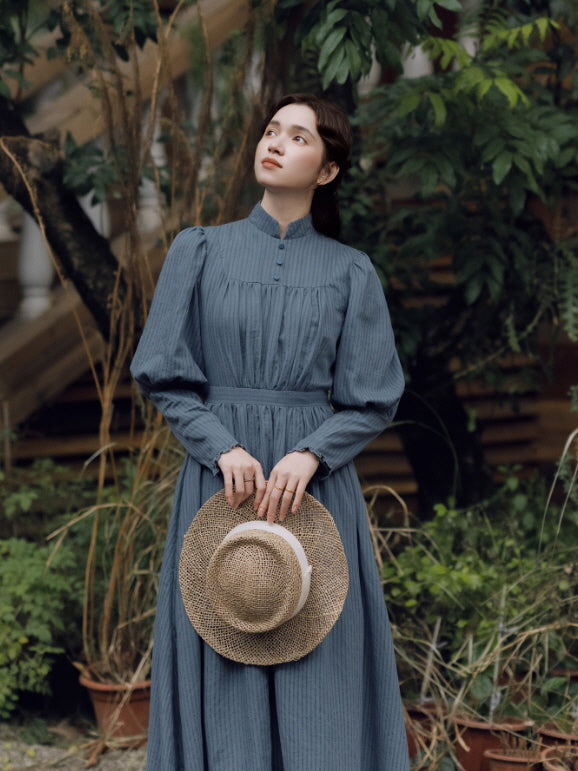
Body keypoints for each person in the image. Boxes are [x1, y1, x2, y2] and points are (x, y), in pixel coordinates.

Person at [131, 92, 410, 770]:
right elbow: (162, 372)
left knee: (323, 670)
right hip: (220, 481)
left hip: (312, 490)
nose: (276, 141)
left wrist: (313, 452)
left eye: (299, 136)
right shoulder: (197, 251)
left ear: (329, 171)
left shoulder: (351, 272)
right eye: (271, 129)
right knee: (226, 650)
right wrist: (220, 443)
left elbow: (373, 398)